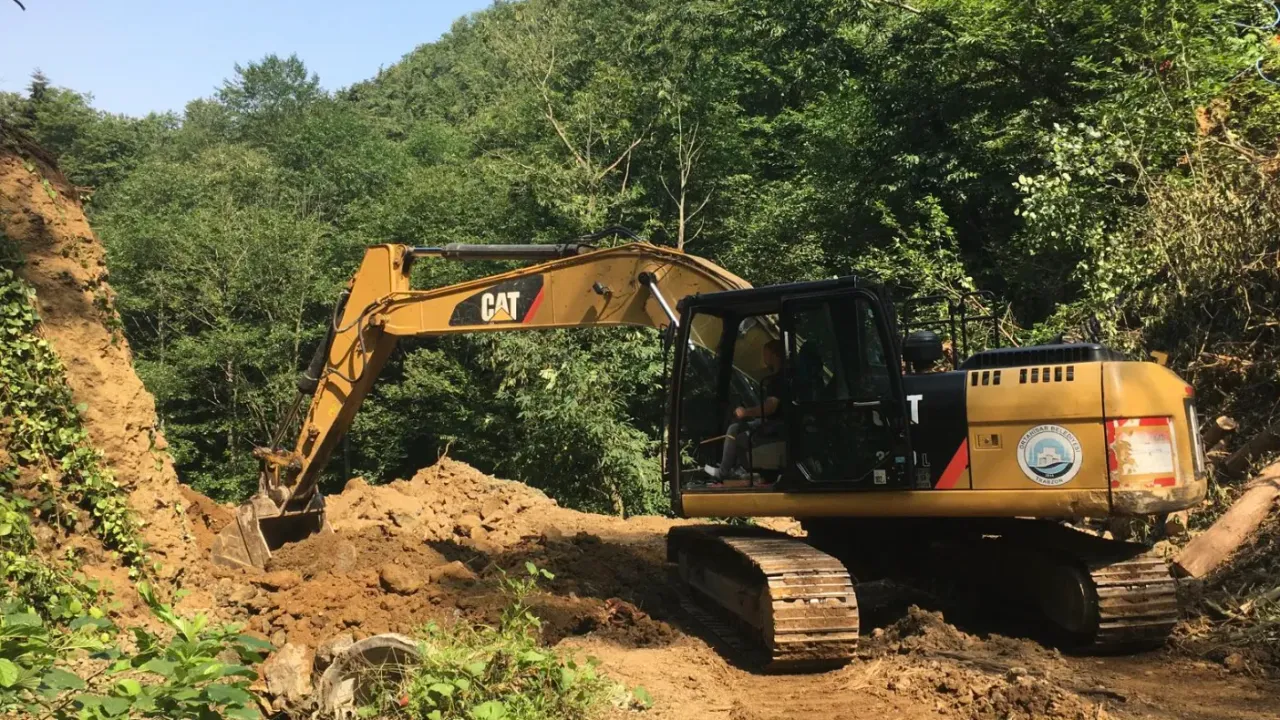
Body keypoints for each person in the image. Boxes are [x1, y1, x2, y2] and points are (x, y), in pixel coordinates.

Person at [705, 339, 786, 480]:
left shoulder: (778, 380)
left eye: (765, 354)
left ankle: (723, 472)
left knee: (734, 429)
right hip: (777, 422)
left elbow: (770, 407)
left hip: (777, 425)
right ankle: (739, 468)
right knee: (742, 437)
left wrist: (746, 412)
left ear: (774, 355)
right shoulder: (783, 377)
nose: (764, 358)